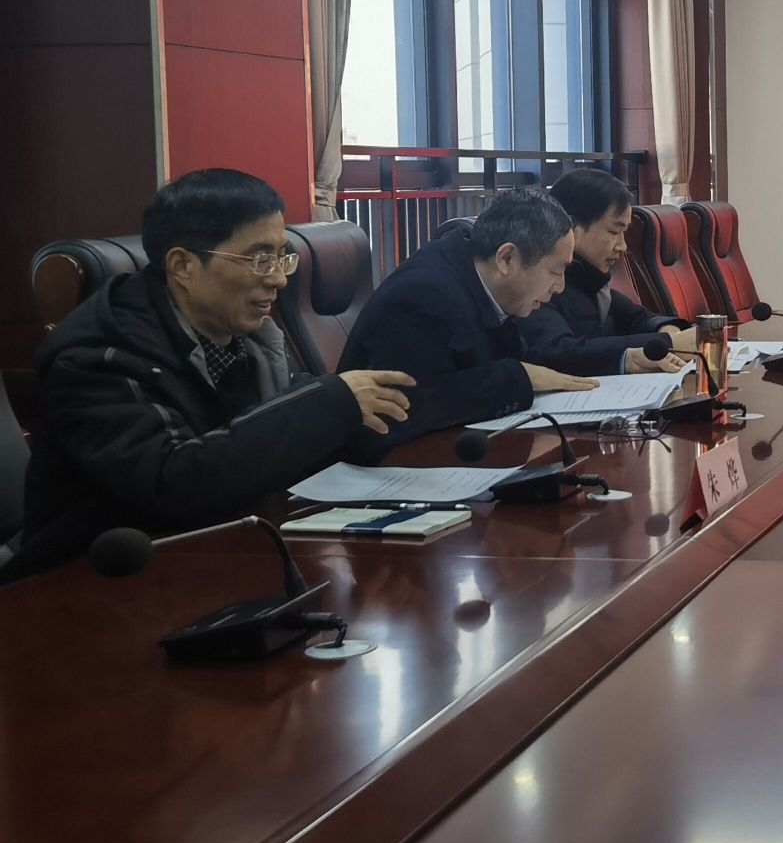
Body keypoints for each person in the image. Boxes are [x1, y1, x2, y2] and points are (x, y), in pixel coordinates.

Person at [2, 169, 414, 580]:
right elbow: (174, 484)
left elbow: (268, 438)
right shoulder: (98, 358)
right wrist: (327, 404)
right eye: (259, 259)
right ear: (183, 265)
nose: (278, 278)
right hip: (83, 582)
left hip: (210, 559)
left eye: (281, 257)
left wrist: (359, 427)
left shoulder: (247, 336)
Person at [340, 187, 595, 448]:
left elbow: (528, 363)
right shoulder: (424, 295)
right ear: (506, 258)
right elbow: (410, 407)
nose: (560, 287)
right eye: (555, 271)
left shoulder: (481, 280)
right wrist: (516, 377)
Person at [515, 169, 693, 377]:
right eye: (614, 231)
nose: (622, 246)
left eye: (624, 232)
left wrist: (668, 331)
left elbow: (641, 318)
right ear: (572, 228)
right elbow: (559, 351)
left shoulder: (592, 280)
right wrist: (670, 342)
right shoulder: (540, 283)